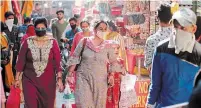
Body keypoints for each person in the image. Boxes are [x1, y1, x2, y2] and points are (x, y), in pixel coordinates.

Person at [146, 8, 201, 108]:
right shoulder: (161, 49)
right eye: (175, 27)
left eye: (183, 28)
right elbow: (155, 85)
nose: (178, 31)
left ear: (193, 29)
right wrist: (149, 104)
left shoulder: (199, 52)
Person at [66, 20, 121, 108]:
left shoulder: (108, 45)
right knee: (84, 103)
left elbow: (113, 62)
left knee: (99, 105)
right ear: (95, 30)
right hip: (83, 78)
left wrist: (111, 75)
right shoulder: (85, 41)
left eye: (104, 29)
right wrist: (69, 74)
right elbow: (75, 57)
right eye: (100, 29)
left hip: (101, 81)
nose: (102, 31)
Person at [14, 17, 64, 108]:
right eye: (38, 28)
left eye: (42, 28)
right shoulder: (27, 42)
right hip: (29, 80)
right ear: (34, 28)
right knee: (31, 104)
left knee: (47, 104)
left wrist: (59, 79)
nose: (40, 30)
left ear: (46, 28)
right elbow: (21, 61)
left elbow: (57, 63)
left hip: (48, 81)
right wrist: (17, 78)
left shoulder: (53, 42)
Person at [144, 3, 173, 71]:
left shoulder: (151, 40)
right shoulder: (179, 38)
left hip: (158, 80)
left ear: (157, 18)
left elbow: (148, 66)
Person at [106, 42, 126, 108]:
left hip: (118, 87)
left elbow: (124, 74)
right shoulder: (105, 62)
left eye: (117, 48)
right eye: (113, 48)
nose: (116, 50)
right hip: (108, 88)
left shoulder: (121, 61)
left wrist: (123, 72)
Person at [3, 11, 19, 76]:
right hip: (5, 52)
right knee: (5, 68)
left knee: (14, 66)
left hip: (14, 51)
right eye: (9, 18)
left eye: (12, 18)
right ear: (6, 19)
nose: (11, 20)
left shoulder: (16, 28)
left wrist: (16, 48)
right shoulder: (2, 27)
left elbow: (18, 40)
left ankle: (13, 82)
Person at [0, 21, 14, 93]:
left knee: (4, 79)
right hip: (4, 61)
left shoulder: (3, 35)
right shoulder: (3, 34)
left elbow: (9, 43)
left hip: (4, 61)